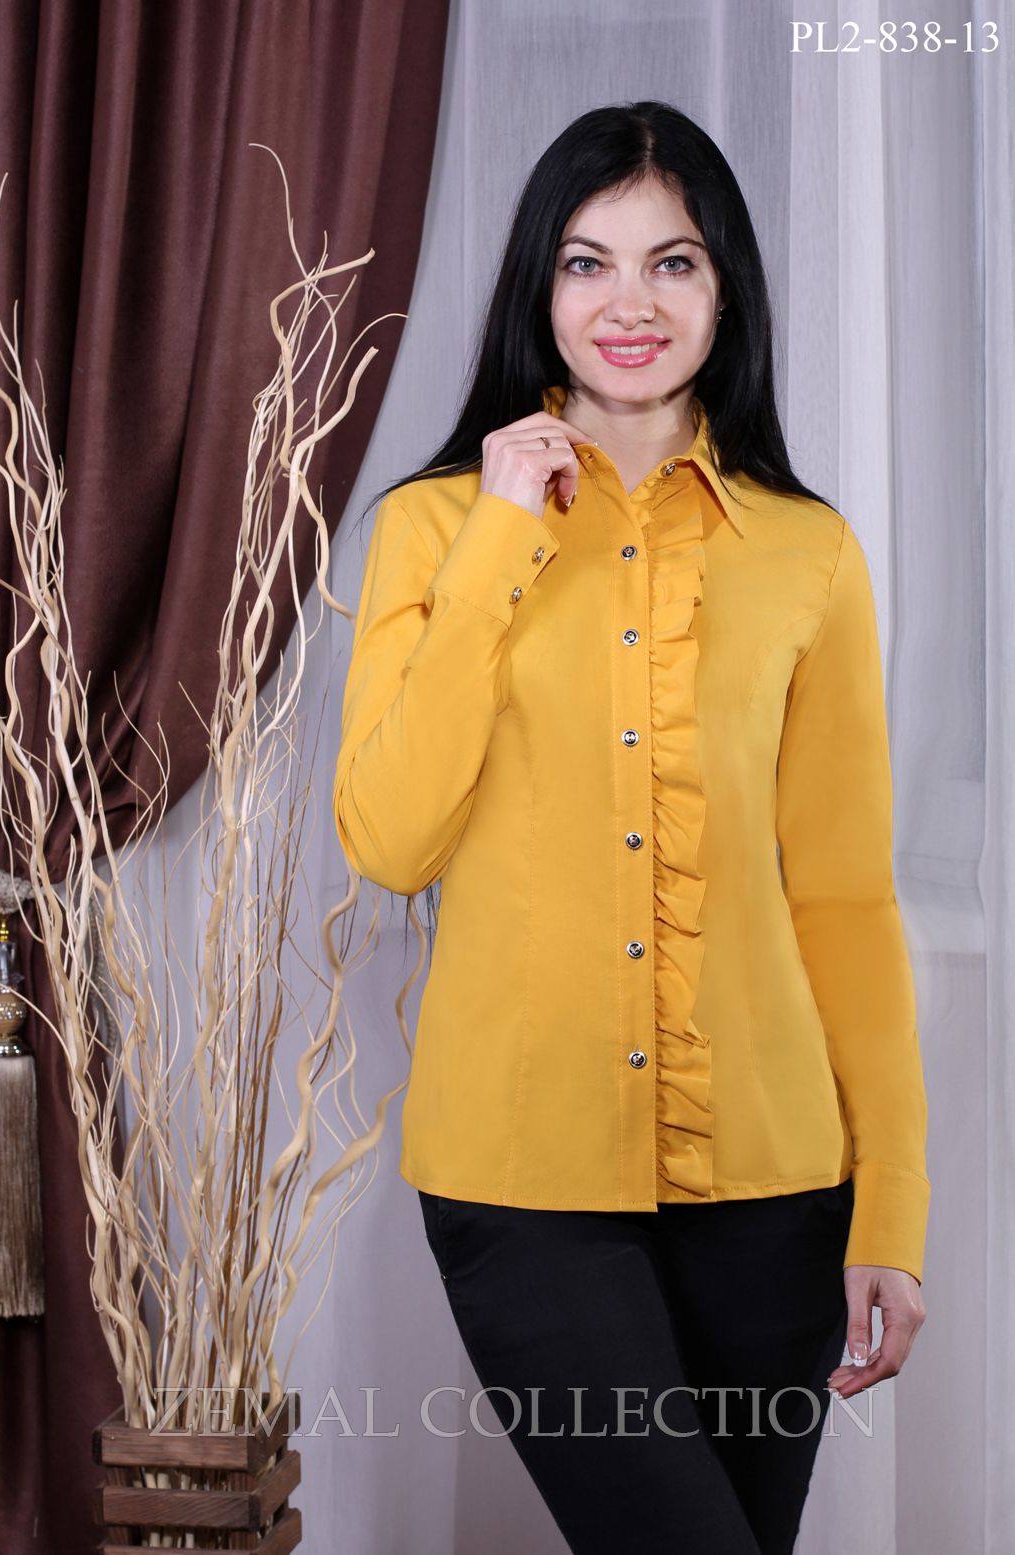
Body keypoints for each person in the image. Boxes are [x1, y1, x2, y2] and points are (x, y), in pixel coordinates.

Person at [331, 100, 929, 1555]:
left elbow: (845, 897)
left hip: (775, 1185)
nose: (630, 304)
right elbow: (389, 841)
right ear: (539, 284)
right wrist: (500, 536)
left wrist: (892, 1212)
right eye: (587, 263)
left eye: (673, 262)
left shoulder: (807, 552)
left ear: (726, 288)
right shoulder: (433, 529)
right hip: (521, 1179)